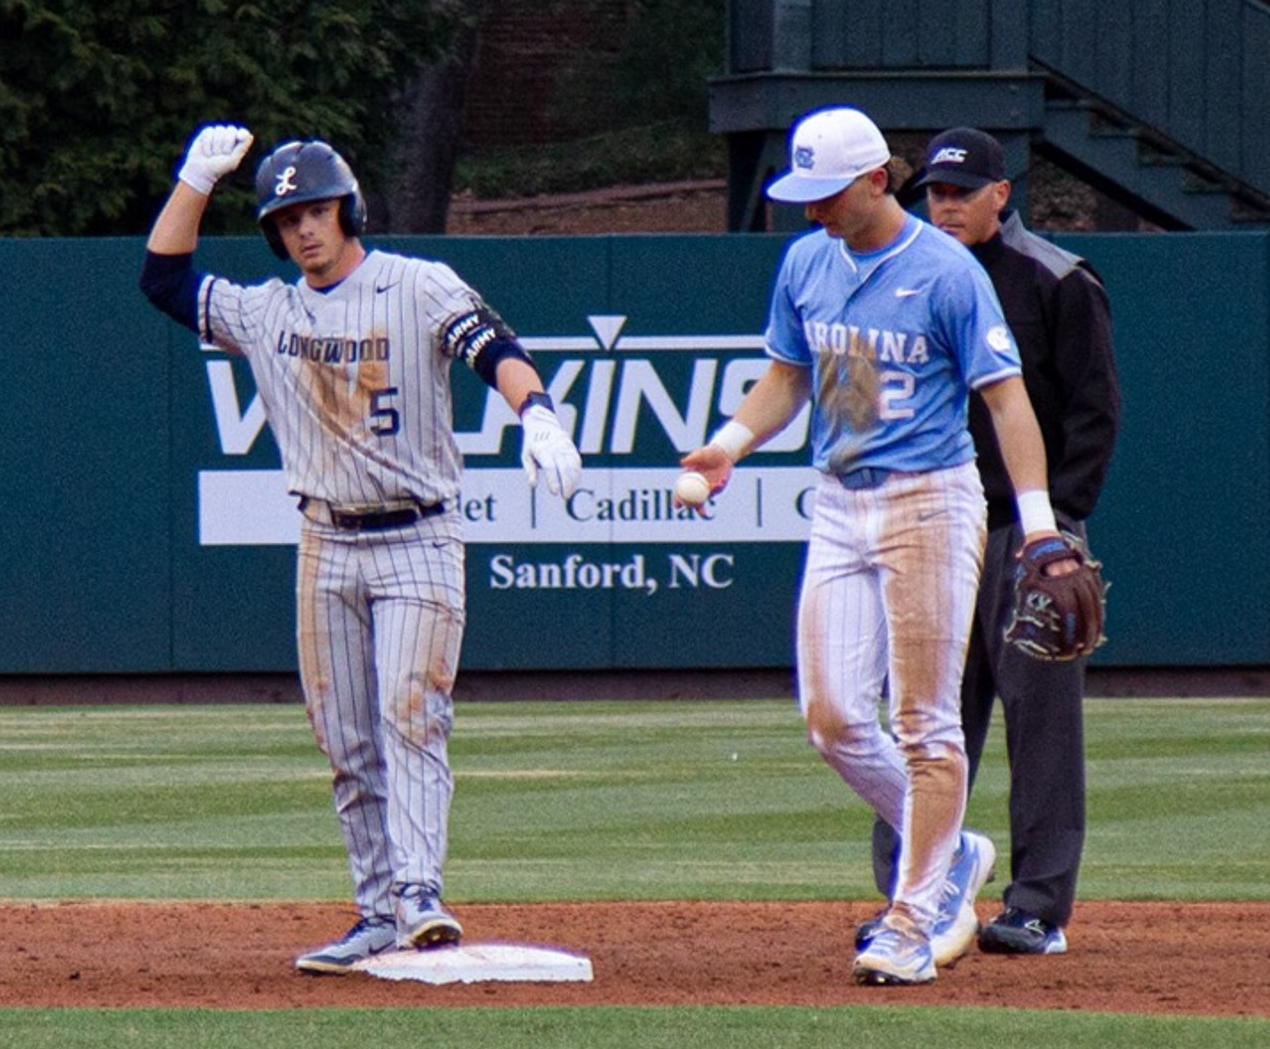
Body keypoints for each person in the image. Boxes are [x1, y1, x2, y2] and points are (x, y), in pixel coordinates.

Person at [139, 124, 582, 975]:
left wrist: (538, 413)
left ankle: (420, 895)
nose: (304, 228)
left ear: (348, 209)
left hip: (418, 533)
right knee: (346, 739)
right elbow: (162, 279)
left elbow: (496, 349)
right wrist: (194, 179)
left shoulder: (415, 286)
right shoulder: (267, 311)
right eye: (287, 218)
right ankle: (378, 912)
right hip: (325, 540)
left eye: (317, 210)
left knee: (408, 714)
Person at [680, 105, 1093, 986]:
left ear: (877, 180)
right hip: (838, 500)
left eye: (826, 193)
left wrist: (1040, 524)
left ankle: (912, 921)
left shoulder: (945, 272)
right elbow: (789, 377)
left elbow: (1008, 401)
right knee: (832, 720)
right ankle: (952, 846)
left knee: (924, 726)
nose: (810, 210)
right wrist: (727, 444)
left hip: (930, 504)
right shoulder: (807, 263)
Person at [861, 127, 1120, 956]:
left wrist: (1060, 529)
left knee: (1040, 721)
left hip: (1020, 530)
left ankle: (1038, 905)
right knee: (924, 719)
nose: (945, 205)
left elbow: (1092, 412)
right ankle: (915, 898)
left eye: (961, 193)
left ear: (999, 196)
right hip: (930, 523)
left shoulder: (1055, 279)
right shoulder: (898, 273)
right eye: (935, 192)